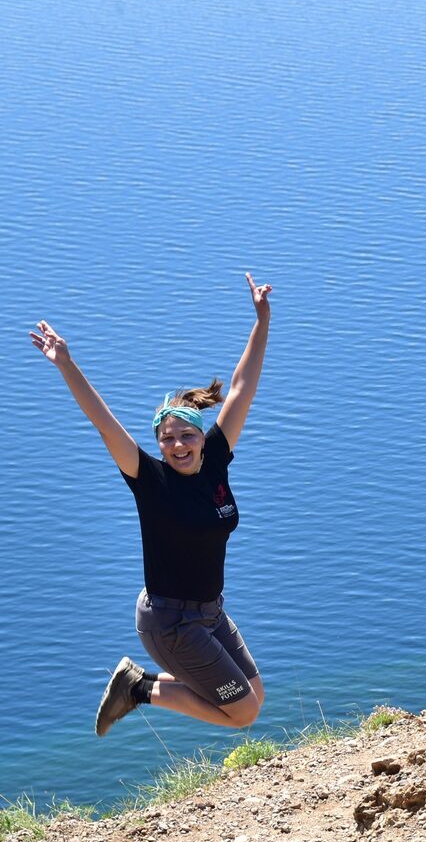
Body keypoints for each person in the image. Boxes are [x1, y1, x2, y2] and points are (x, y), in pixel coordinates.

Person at [29, 275, 272, 735]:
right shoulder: (150, 480)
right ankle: (137, 687)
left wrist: (261, 321)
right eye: (167, 439)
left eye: (186, 435)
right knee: (241, 714)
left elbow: (241, 388)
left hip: (209, 611)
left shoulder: (216, 459)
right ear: (158, 446)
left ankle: (142, 685)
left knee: (255, 697)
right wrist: (66, 364)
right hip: (171, 621)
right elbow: (104, 423)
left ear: (202, 437)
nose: (178, 445)